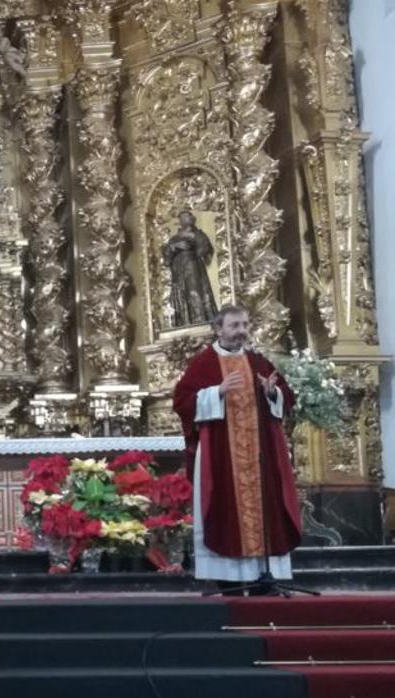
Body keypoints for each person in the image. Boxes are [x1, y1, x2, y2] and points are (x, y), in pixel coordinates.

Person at [172, 305, 302, 595]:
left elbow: (285, 397)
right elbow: (182, 402)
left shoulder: (257, 362)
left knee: (265, 509)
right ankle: (228, 580)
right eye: (234, 325)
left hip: (260, 454)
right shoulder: (204, 363)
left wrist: (272, 392)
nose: (241, 331)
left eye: (244, 324)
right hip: (221, 454)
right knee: (224, 509)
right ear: (218, 329)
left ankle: (263, 579)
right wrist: (215, 392)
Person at [163, 210, 218, 327]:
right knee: (180, 294)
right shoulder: (174, 239)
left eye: (188, 216)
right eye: (183, 217)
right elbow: (167, 257)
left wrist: (193, 237)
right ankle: (184, 321)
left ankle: (200, 320)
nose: (186, 219)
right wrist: (175, 247)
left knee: (195, 292)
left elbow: (205, 248)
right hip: (178, 270)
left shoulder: (198, 234)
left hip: (193, 268)